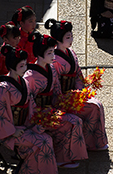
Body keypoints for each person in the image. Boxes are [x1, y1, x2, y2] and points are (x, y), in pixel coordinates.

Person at [0, 45, 58, 174]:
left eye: (25, 64)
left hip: (25, 125)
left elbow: (31, 104)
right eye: (21, 66)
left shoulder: (24, 81)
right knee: (42, 141)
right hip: (11, 131)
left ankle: (36, 171)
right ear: (12, 68)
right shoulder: (3, 89)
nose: (25, 68)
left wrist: (36, 121)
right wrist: (13, 131)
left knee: (46, 136)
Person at [24, 32, 88, 168]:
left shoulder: (51, 68)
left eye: (53, 52)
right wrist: (37, 121)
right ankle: (61, 158)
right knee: (70, 122)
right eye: (49, 53)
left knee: (75, 119)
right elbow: (29, 102)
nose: (53, 56)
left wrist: (65, 104)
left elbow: (57, 92)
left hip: (51, 110)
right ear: (40, 55)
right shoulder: (30, 77)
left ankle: (65, 156)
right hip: (38, 116)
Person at [45, 18, 108, 151]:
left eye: (71, 36)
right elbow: (55, 85)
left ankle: (93, 142)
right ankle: (90, 143)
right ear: (58, 39)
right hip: (64, 99)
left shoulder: (71, 53)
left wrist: (82, 90)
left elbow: (78, 74)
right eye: (68, 37)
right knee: (94, 107)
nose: (71, 39)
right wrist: (68, 97)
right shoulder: (55, 60)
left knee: (97, 104)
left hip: (74, 94)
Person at [0, 22, 21, 86]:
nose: (18, 40)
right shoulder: (0, 56)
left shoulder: (17, 50)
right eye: (15, 38)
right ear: (5, 39)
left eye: (18, 37)